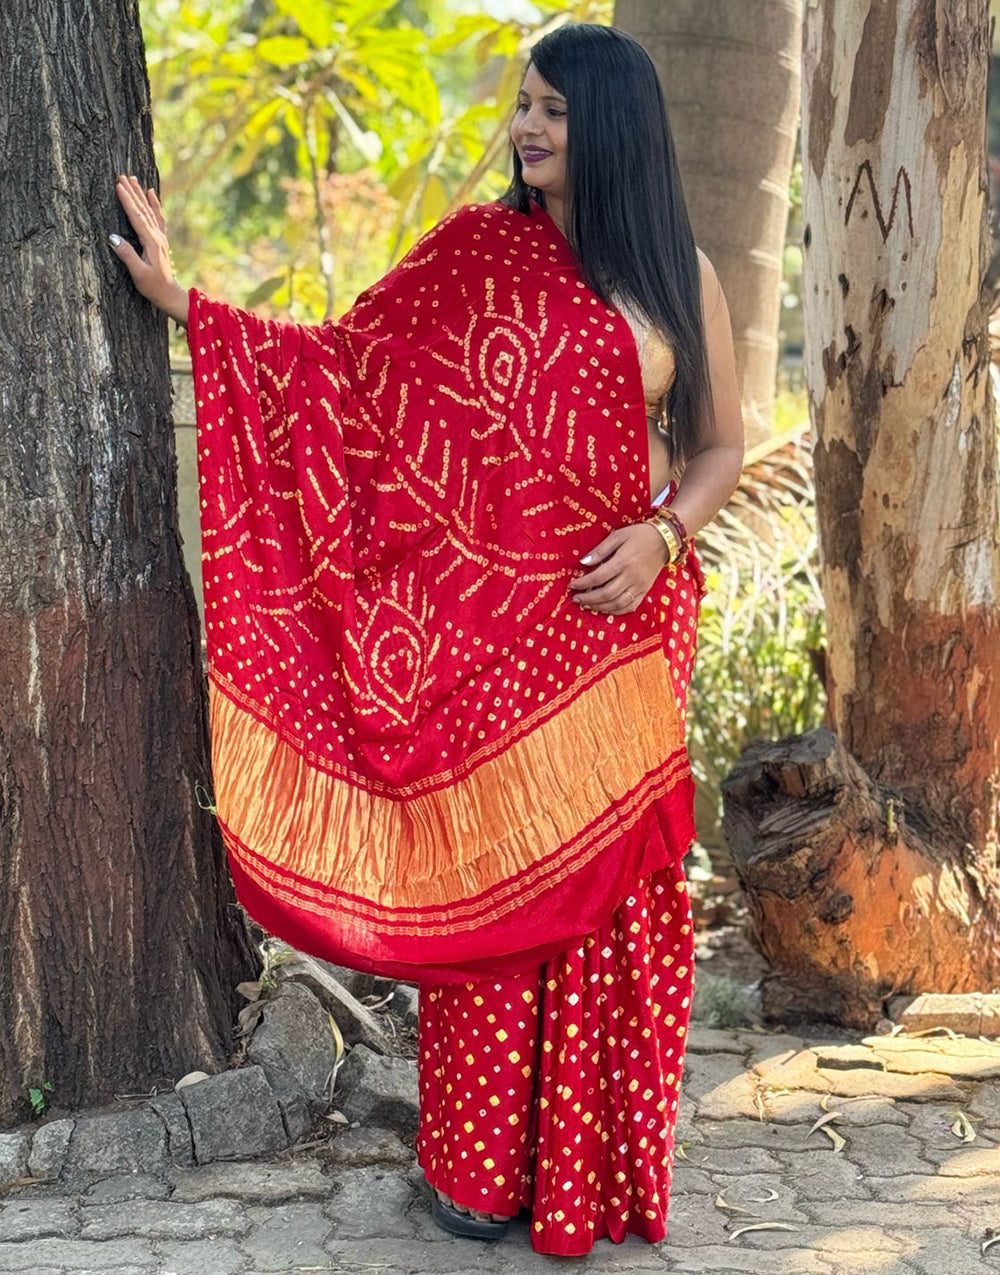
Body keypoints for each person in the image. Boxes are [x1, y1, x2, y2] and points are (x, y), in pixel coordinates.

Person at [110, 21, 743, 1257]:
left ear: (610, 125)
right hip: (490, 649)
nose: (527, 128)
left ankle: (590, 1174)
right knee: (495, 903)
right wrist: (189, 305)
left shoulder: (680, 275)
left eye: (552, 110)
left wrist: (664, 536)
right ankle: (475, 1175)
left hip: (621, 641)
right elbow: (343, 376)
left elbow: (719, 447)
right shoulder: (472, 255)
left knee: (617, 908)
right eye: (522, 104)